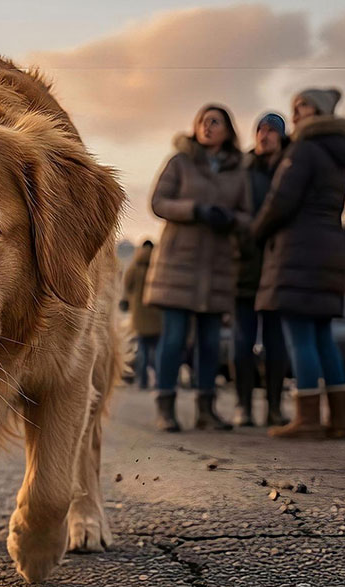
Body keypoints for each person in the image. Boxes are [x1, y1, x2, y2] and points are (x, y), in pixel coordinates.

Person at [251, 88, 345, 439]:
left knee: (299, 336)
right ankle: (341, 419)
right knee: (323, 336)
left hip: (299, 249)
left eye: (303, 106)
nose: (294, 114)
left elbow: (281, 200)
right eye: (293, 106)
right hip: (328, 246)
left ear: (320, 112)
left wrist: (256, 230)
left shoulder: (304, 149)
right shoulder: (337, 154)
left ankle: (308, 418)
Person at [145, 104, 250, 432]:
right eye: (202, 122)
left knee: (209, 341)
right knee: (174, 338)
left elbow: (249, 215)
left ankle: (207, 409)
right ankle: (166, 407)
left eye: (215, 122)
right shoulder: (180, 161)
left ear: (228, 130)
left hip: (217, 265)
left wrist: (230, 218)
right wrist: (197, 210)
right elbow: (158, 203)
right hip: (179, 264)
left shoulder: (239, 171)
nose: (207, 127)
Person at [235, 112, 291, 428]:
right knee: (243, 343)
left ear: (282, 136)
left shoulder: (289, 168)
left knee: (276, 343)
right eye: (260, 129)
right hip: (244, 266)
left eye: (271, 130)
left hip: (279, 268)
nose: (264, 135)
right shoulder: (242, 170)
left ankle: (274, 406)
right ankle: (243, 405)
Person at [120, 240, 162, 389]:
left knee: (142, 350)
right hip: (157, 315)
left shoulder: (134, 266)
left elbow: (127, 285)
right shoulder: (158, 263)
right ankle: (159, 381)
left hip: (139, 315)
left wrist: (131, 300)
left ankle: (143, 381)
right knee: (157, 351)